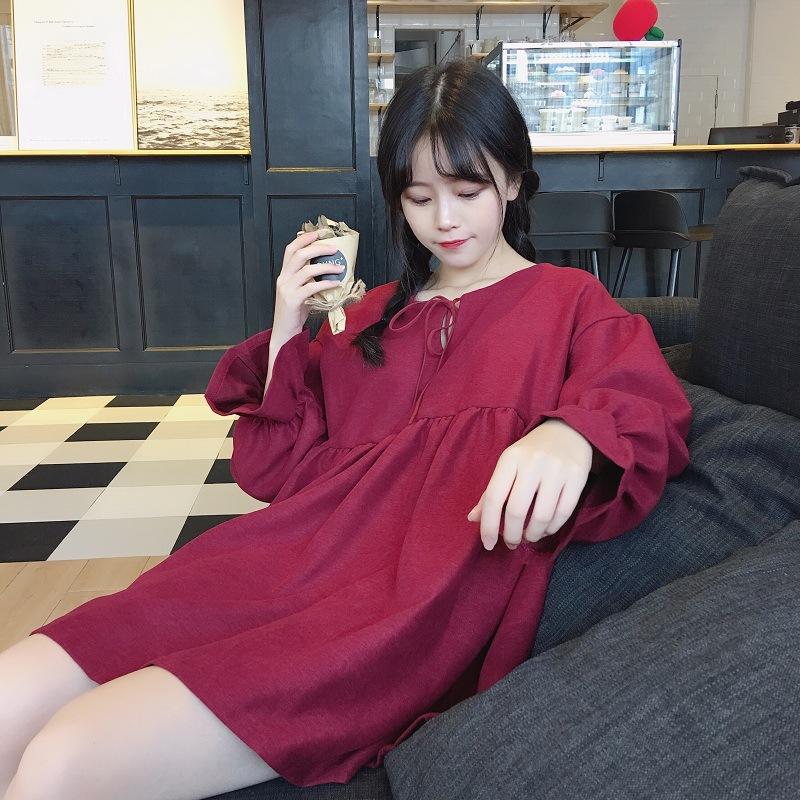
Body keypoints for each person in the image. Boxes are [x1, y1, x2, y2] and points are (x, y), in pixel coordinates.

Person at [0, 60, 693, 798]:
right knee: (12, 693)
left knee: (66, 757)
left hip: (392, 613)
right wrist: (286, 325)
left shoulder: (569, 301)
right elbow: (272, 473)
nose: (444, 220)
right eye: (419, 197)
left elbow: (644, 403)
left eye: (468, 192)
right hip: (279, 561)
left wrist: (570, 434)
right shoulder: (362, 319)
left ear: (514, 182)